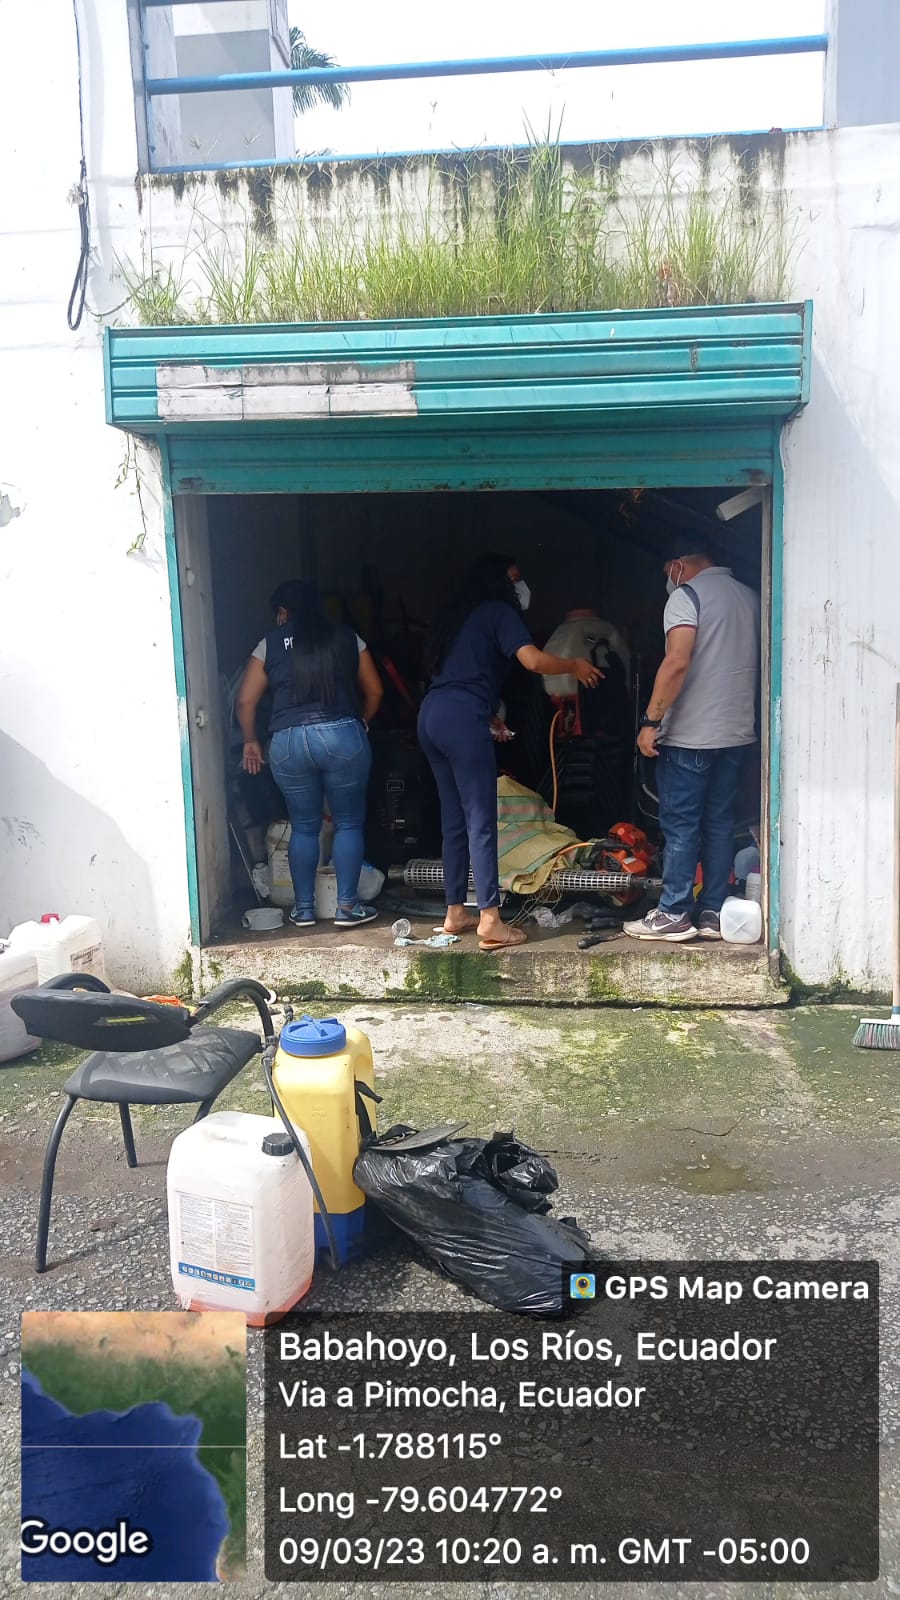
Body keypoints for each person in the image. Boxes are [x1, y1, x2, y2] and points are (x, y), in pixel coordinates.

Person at [419, 554, 602, 951]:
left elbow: (460, 677)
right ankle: (490, 919)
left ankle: (455, 912)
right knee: (481, 819)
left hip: (433, 714)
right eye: (515, 578)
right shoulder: (499, 612)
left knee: (454, 820)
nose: (521, 586)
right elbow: (532, 660)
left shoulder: (457, 618)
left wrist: (488, 717)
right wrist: (573, 664)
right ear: (497, 582)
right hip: (461, 717)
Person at [625, 550, 760, 943]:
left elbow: (676, 662)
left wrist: (651, 722)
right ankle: (713, 912)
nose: (668, 579)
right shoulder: (751, 597)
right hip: (736, 734)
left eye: (667, 571)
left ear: (679, 565)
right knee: (719, 822)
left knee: (681, 825)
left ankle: (673, 913)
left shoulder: (687, 597)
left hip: (690, 736)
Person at [236, 580, 384, 928]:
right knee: (348, 822)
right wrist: (361, 720)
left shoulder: (270, 643)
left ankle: (303, 910)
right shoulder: (347, 637)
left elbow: (245, 700)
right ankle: (347, 908)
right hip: (341, 735)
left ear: (283, 612)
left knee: (303, 827)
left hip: (288, 742)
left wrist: (250, 740)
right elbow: (375, 690)